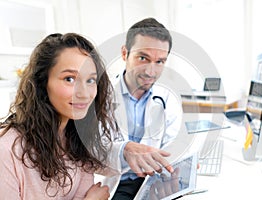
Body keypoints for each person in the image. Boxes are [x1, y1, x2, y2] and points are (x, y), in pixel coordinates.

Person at [0, 33, 115, 199]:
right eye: (69, 79)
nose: (84, 93)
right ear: (42, 82)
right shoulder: (6, 150)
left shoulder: (75, 139)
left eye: (90, 80)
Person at [110, 17, 183, 200]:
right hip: (114, 184)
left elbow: (172, 146)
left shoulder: (168, 100)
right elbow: (91, 150)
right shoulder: (98, 96)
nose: (151, 72)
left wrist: (181, 163)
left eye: (160, 62)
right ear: (125, 54)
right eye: (143, 58)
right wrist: (124, 150)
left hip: (152, 184)